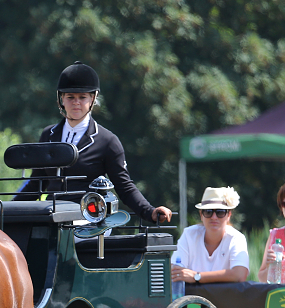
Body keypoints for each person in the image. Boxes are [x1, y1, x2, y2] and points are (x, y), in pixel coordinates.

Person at [13, 62, 171, 224]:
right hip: (53, 214)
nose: (76, 103)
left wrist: (149, 211)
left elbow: (124, 187)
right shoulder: (49, 135)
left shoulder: (107, 141)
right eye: (70, 97)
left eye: (82, 97)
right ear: (61, 98)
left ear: (93, 98)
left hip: (89, 216)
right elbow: (36, 183)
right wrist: (4, 212)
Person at [171, 187, 249, 285]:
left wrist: (196, 276)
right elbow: (175, 272)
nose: (214, 217)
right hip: (192, 299)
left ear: (228, 215)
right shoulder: (189, 234)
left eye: (220, 212)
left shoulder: (236, 238)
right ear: (201, 214)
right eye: (208, 212)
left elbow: (239, 275)